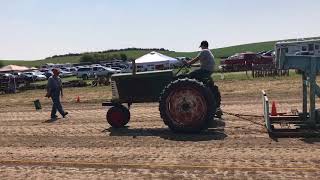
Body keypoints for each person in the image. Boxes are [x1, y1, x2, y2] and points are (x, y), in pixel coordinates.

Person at [187, 40, 222, 117]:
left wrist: (188, 63)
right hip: (208, 70)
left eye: (201, 46)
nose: (201, 48)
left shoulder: (204, 51)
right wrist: (192, 65)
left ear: (203, 45)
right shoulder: (209, 52)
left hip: (205, 70)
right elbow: (201, 63)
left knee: (189, 75)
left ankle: (190, 91)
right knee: (195, 74)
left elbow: (197, 59)